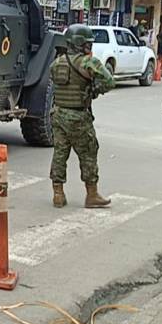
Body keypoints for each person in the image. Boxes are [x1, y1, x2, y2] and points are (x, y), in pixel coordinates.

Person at [49, 24, 115, 209]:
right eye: (88, 43)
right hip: (78, 116)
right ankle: (92, 195)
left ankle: (58, 194)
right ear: (80, 44)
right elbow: (109, 82)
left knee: (60, 153)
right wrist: (95, 89)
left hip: (58, 113)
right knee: (88, 153)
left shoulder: (57, 62)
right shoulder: (88, 62)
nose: (90, 47)